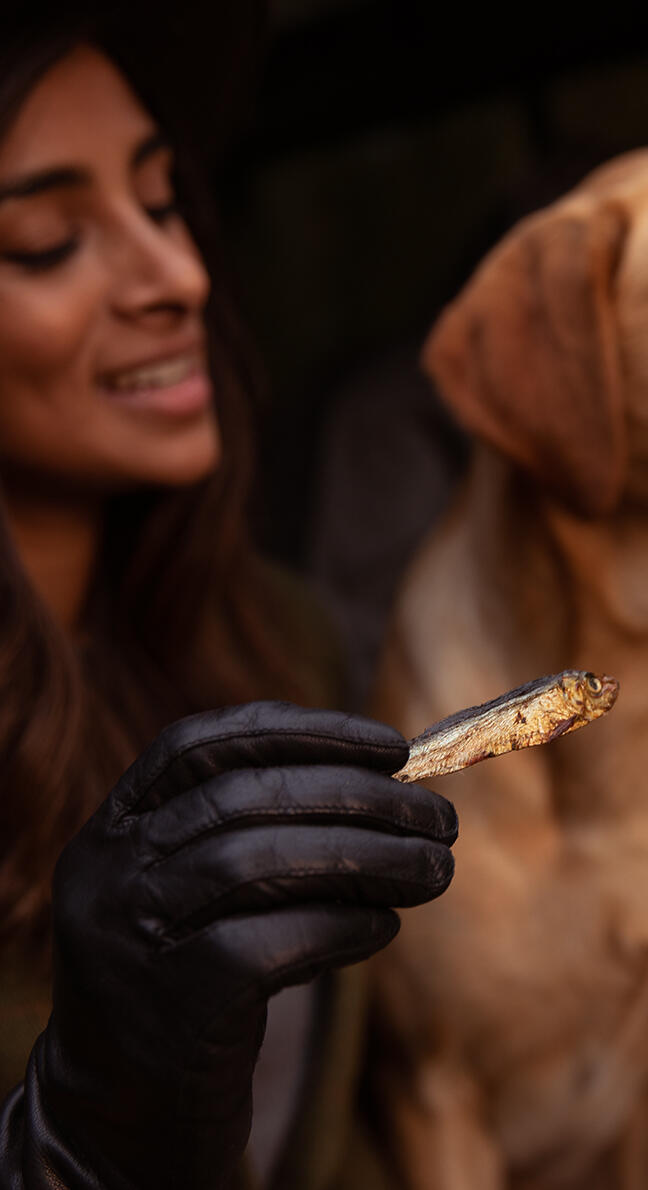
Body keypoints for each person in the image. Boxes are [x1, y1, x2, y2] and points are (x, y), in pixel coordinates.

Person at [0, 5, 458, 1188]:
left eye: (161, 206)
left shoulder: (281, 635)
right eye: (46, 240)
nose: (180, 275)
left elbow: (331, 1124)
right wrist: (83, 1127)